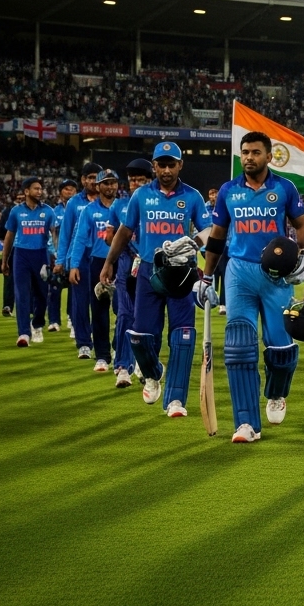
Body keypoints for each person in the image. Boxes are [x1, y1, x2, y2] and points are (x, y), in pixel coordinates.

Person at [201, 131, 304, 444]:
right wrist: (207, 276)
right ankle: (246, 423)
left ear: (268, 155)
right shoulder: (228, 191)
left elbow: (302, 225)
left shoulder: (284, 188)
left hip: (276, 275)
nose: (249, 157)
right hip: (239, 272)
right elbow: (218, 236)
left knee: (280, 346)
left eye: (255, 152)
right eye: (245, 152)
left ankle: (276, 394)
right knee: (238, 348)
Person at [100, 142, 211, 413]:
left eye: (171, 164)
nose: (166, 169)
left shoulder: (193, 197)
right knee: (140, 336)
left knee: (182, 337)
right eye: (161, 164)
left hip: (181, 273)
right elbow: (125, 232)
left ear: (180, 165)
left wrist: (195, 245)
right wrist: (109, 263)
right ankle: (152, 372)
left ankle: (175, 400)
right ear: (154, 166)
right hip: (149, 271)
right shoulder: (140, 196)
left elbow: (209, 230)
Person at [106, 158, 153, 387]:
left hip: (148, 265)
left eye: (140, 180)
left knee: (146, 319)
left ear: (149, 181)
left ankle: (145, 365)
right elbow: (110, 235)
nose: (134, 184)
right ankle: (123, 367)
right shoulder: (118, 206)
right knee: (124, 314)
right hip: (126, 265)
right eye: (132, 180)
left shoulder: (155, 204)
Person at [68, 169, 120, 373]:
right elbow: (80, 239)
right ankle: (102, 356)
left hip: (121, 262)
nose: (110, 187)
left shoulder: (124, 207)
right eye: (105, 183)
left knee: (122, 310)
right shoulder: (88, 210)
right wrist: (74, 265)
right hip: (97, 262)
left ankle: (119, 348)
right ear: (98, 187)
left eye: (113, 182)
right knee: (99, 312)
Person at [56, 162, 103, 359]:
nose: (93, 181)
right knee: (80, 302)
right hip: (80, 257)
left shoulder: (109, 201)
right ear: (83, 180)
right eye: (90, 177)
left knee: (101, 302)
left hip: (102, 256)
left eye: (96, 177)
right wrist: (61, 261)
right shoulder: (75, 203)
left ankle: (104, 340)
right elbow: (65, 234)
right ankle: (84, 343)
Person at [0, 177, 52, 348]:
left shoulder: (48, 211)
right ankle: (24, 333)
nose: (40, 191)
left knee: (42, 295)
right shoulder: (16, 212)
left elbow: (56, 234)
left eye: (41, 188)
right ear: (26, 191)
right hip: (21, 256)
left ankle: (37, 324)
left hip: (41, 255)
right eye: (36, 188)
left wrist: (57, 256)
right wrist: (5, 259)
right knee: (22, 295)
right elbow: (9, 236)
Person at [46, 178, 78, 332]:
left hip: (74, 257)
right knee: (54, 289)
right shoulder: (54, 212)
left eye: (72, 188)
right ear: (60, 192)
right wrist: (55, 254)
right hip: (57, 257)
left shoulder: (81, 210)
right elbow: (50, 236)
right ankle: (53, 321)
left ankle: (72, 319)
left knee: (74, 290)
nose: (69, 191)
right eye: (66, 189)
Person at [0, 186, 23, 317]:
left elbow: (1, 231)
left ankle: (8, 305)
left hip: (15, 248)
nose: (21, 200)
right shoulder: (11, 211)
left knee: (10, 279)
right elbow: (2, 231)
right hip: (18, 248)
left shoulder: (9, 210)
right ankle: (25, 307)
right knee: (14, 277)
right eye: (19, 198)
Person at [206, 185, 227, 315]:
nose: (213, 196)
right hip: (207, 247)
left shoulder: (224, 206)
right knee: (215, 273)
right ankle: (214, 299)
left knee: (223, 273)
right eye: (211, 194)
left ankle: (222, 303)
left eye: (215, 194)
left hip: (224, 246)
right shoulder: (205, 208)